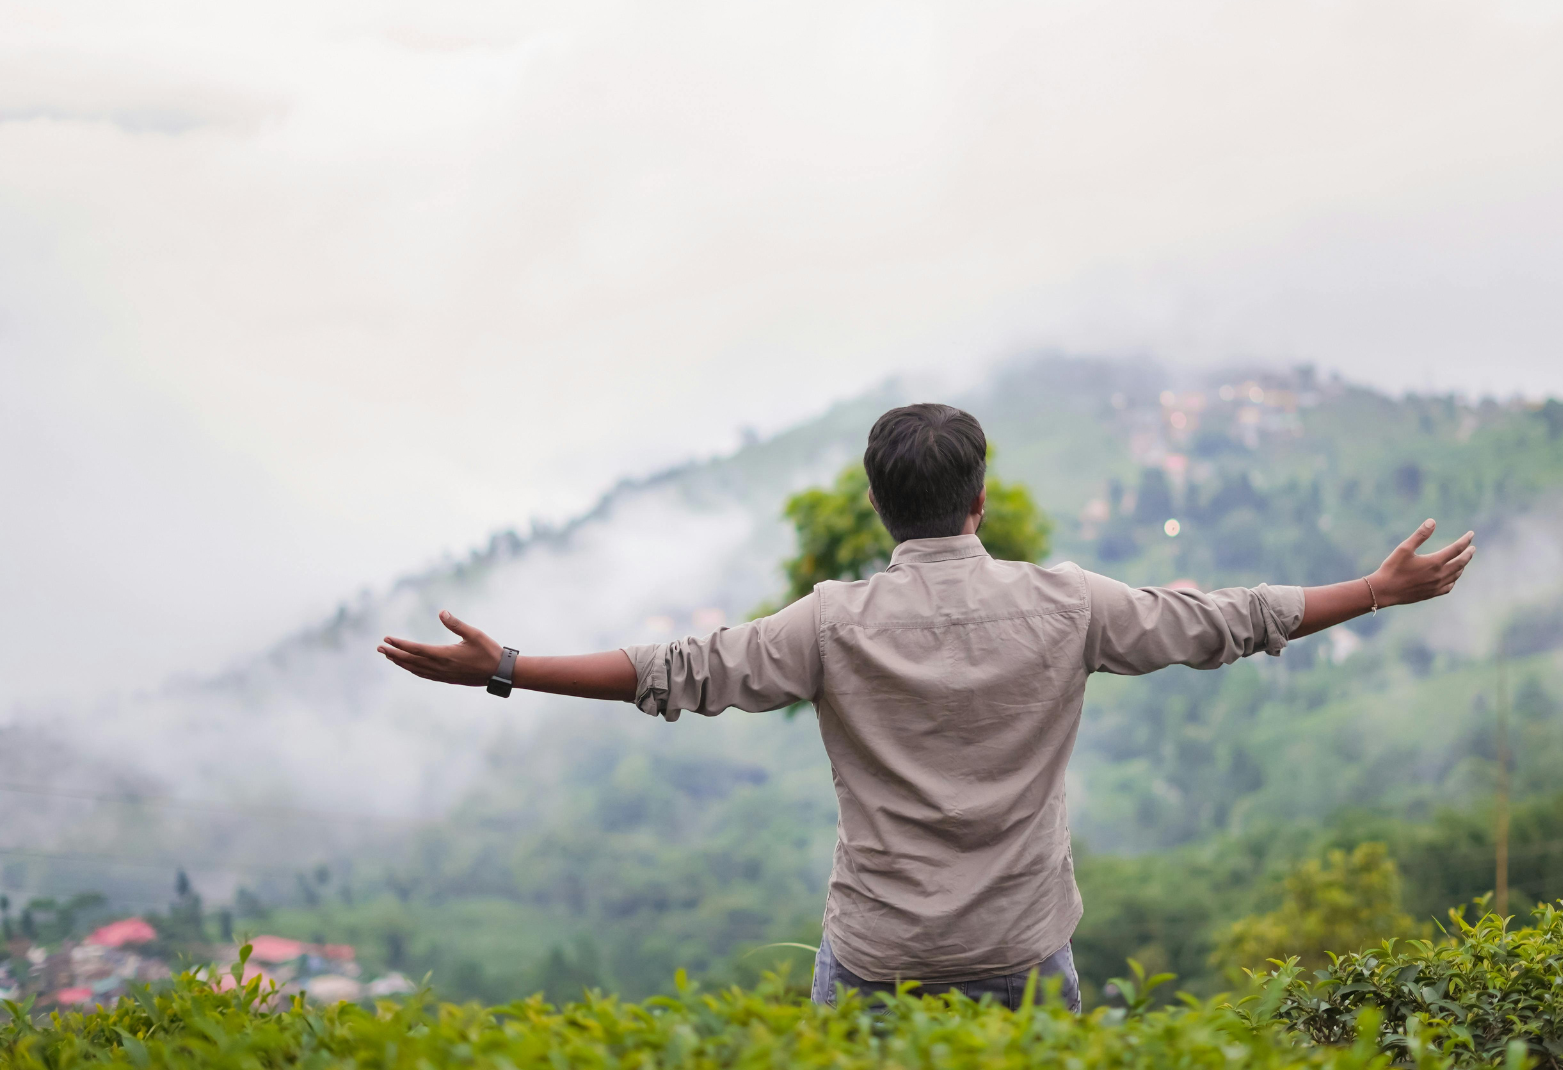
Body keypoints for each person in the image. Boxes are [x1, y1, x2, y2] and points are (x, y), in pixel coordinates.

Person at [378, 403, 1475, 1012]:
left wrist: (505, 665)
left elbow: (673, 670)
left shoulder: (830, 623)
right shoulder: (1067, 604)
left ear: (876, 504)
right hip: (1022, 953)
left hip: (876, 961)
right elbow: (1225, 621)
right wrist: (1374, 591)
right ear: (980, 500)